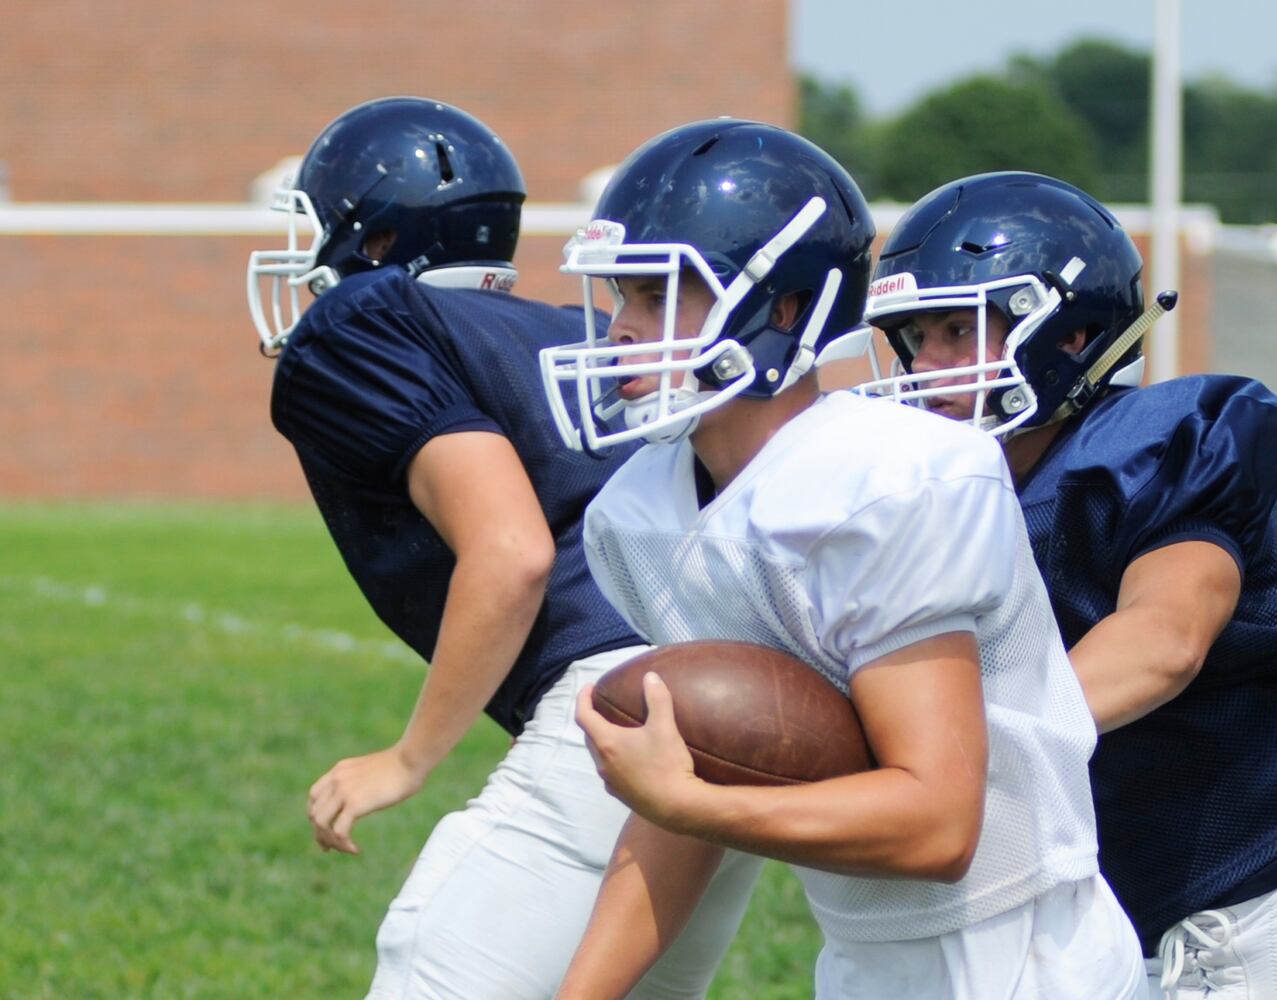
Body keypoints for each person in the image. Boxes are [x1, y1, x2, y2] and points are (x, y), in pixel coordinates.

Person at [538, 120, 1144, 1000]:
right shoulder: (638, 509)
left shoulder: (893, 479)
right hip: (863, 960)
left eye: (658, 298)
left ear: (783, 308)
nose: (622, 331)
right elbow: (696, 767)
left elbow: (937, 827)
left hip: (1021, 959)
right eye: (619, 298)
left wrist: (693, 804)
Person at [246, 96, 760, 1000]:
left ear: (369, 243)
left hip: (615, 709)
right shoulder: (580, 329)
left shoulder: (360, 322)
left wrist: (405, 760)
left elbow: (513, 549)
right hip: (734, 705)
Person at [858, 170, 1277, 999]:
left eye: (957, 329)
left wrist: (955, 742)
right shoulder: (941, 497)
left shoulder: (1150, 451)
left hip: (1241, 923)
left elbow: (1162, 642)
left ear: (1073, 334)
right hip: (1086, 927)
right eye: (915, 336)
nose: (927, 364)